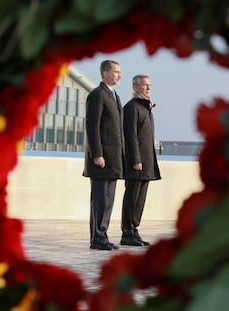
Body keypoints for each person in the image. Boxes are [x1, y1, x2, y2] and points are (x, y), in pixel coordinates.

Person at [83, 60, 124, 251]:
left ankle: (102, 235)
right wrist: (97, 154)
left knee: (108, 201)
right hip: (102, 159)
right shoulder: (97, 95)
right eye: (116, 72)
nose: (119, 75)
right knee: (100, 200)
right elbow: (92, 127)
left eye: (120, 72)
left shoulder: (114, 96)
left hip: (114, 159)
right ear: (105, 74)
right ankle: (97, 238)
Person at [120, 74, 161, 247]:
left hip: (147, 163)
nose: (148, 88)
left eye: (149, 85)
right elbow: (130, 137)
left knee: (140, 199)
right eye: (144, 85)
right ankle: (127, 233)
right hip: (136, 163)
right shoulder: (131, 107)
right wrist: (136, 160)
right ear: (135, 87)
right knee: (132, 197)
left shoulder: (146, 108)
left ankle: (134, 230)